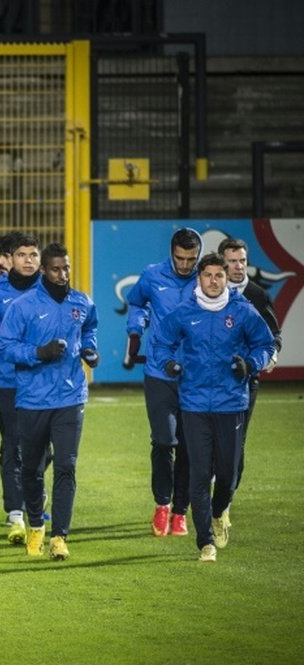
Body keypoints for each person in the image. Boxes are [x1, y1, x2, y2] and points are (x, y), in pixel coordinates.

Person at [152, 253, 273, 562]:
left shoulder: (242, 311)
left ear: (226, 278)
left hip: (231, 403)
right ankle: (205, 541)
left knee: (229, 475)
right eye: (208, 276)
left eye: (220, 275)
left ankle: (219, 512)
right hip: (193, 404)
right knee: (199, 473)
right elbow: (161, 342)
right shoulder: (184, 311)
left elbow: (265, 344)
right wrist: (169, 364)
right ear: (199, 278)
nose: (214, 281)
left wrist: (250, 364)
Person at [0, 242, 98, 561]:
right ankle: (36, 526)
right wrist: (38, 353)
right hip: (33, 400)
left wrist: (90, 350)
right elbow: (5, 349)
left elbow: (90, 329)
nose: (62, 273)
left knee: (67, 466)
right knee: (32, 468)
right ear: (44, 271)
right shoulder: (23, 306)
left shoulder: (82, 302)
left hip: (70, 397)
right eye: (55, 268)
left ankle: (59, 537)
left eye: (66, 267)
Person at [124, 227, 202, 537]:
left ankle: (181, 511)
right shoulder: (153, 275)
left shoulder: (206, 278)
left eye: (191, 259)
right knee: (163, 441)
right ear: (171, 253)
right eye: (180, 258)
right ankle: (162, 505)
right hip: (159, 372)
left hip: (196, 376)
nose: (185, 265)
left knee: (189, 446)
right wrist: (134, 331)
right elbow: (137, 303)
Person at [0, 233, 42, 544]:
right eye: (22, 255)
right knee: (13, 444)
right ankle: (16, 512)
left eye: (33, 254)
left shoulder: (50, 288)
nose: (28, 260)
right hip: (8, 379)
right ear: (10, 259)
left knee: (43, 447)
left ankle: (32, 496)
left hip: (45, 379)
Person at [217, 237, 283, 524]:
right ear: (221, 262)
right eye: (232, 260)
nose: (238, 266)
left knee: (235, 443)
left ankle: (225, 504)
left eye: (242, 260)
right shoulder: (208, 292)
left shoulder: (257, 295)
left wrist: (267, 359)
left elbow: (274, 336)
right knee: (201, 442)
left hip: (245, 382)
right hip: (207, 382)